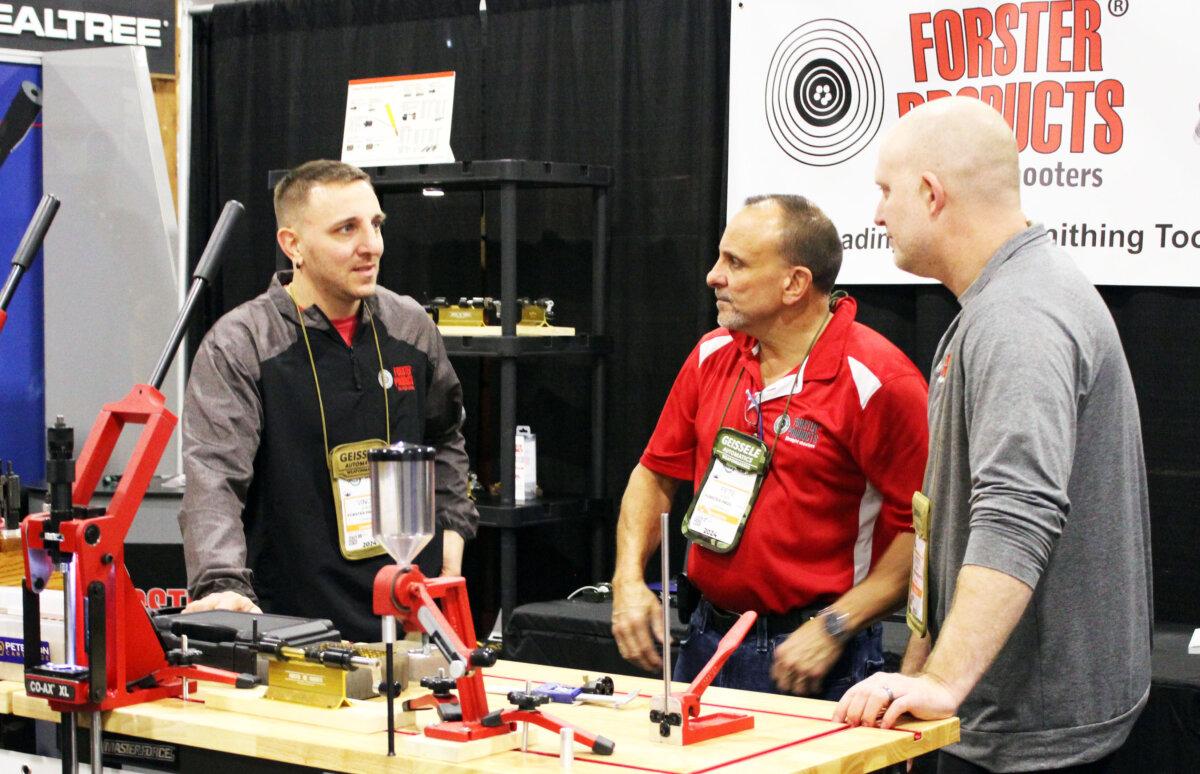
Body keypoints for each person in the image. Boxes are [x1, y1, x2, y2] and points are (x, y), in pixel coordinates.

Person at [834, 97, 1152, 773]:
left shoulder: (1019, 314)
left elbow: (1018, 511)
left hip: (1031, 738)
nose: (877, 213)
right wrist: (924, 671)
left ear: (931, 193)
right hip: (997, 717)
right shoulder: (1001, 301)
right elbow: (945, 519)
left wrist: (942, 682)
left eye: (887, 191)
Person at [611, 194, 929, 699]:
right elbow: (654, 474)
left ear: (795, 283)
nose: (714, 276)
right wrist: (627, 578)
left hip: (819, 660)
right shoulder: (712, 353)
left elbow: (921, 533)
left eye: (734, 263)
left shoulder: (880, 381)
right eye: (720, 258)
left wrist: (835, 625)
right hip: (705, 639)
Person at [179, 159, 478, 642]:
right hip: (291, 630)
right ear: (292, 245)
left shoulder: (409, 326)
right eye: (346, 229)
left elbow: (445, 435)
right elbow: (213, 478)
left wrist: (450, 538)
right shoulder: (242, 343)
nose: (371, 246)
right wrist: (220, 585)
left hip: (410, 620)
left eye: (375, 225)